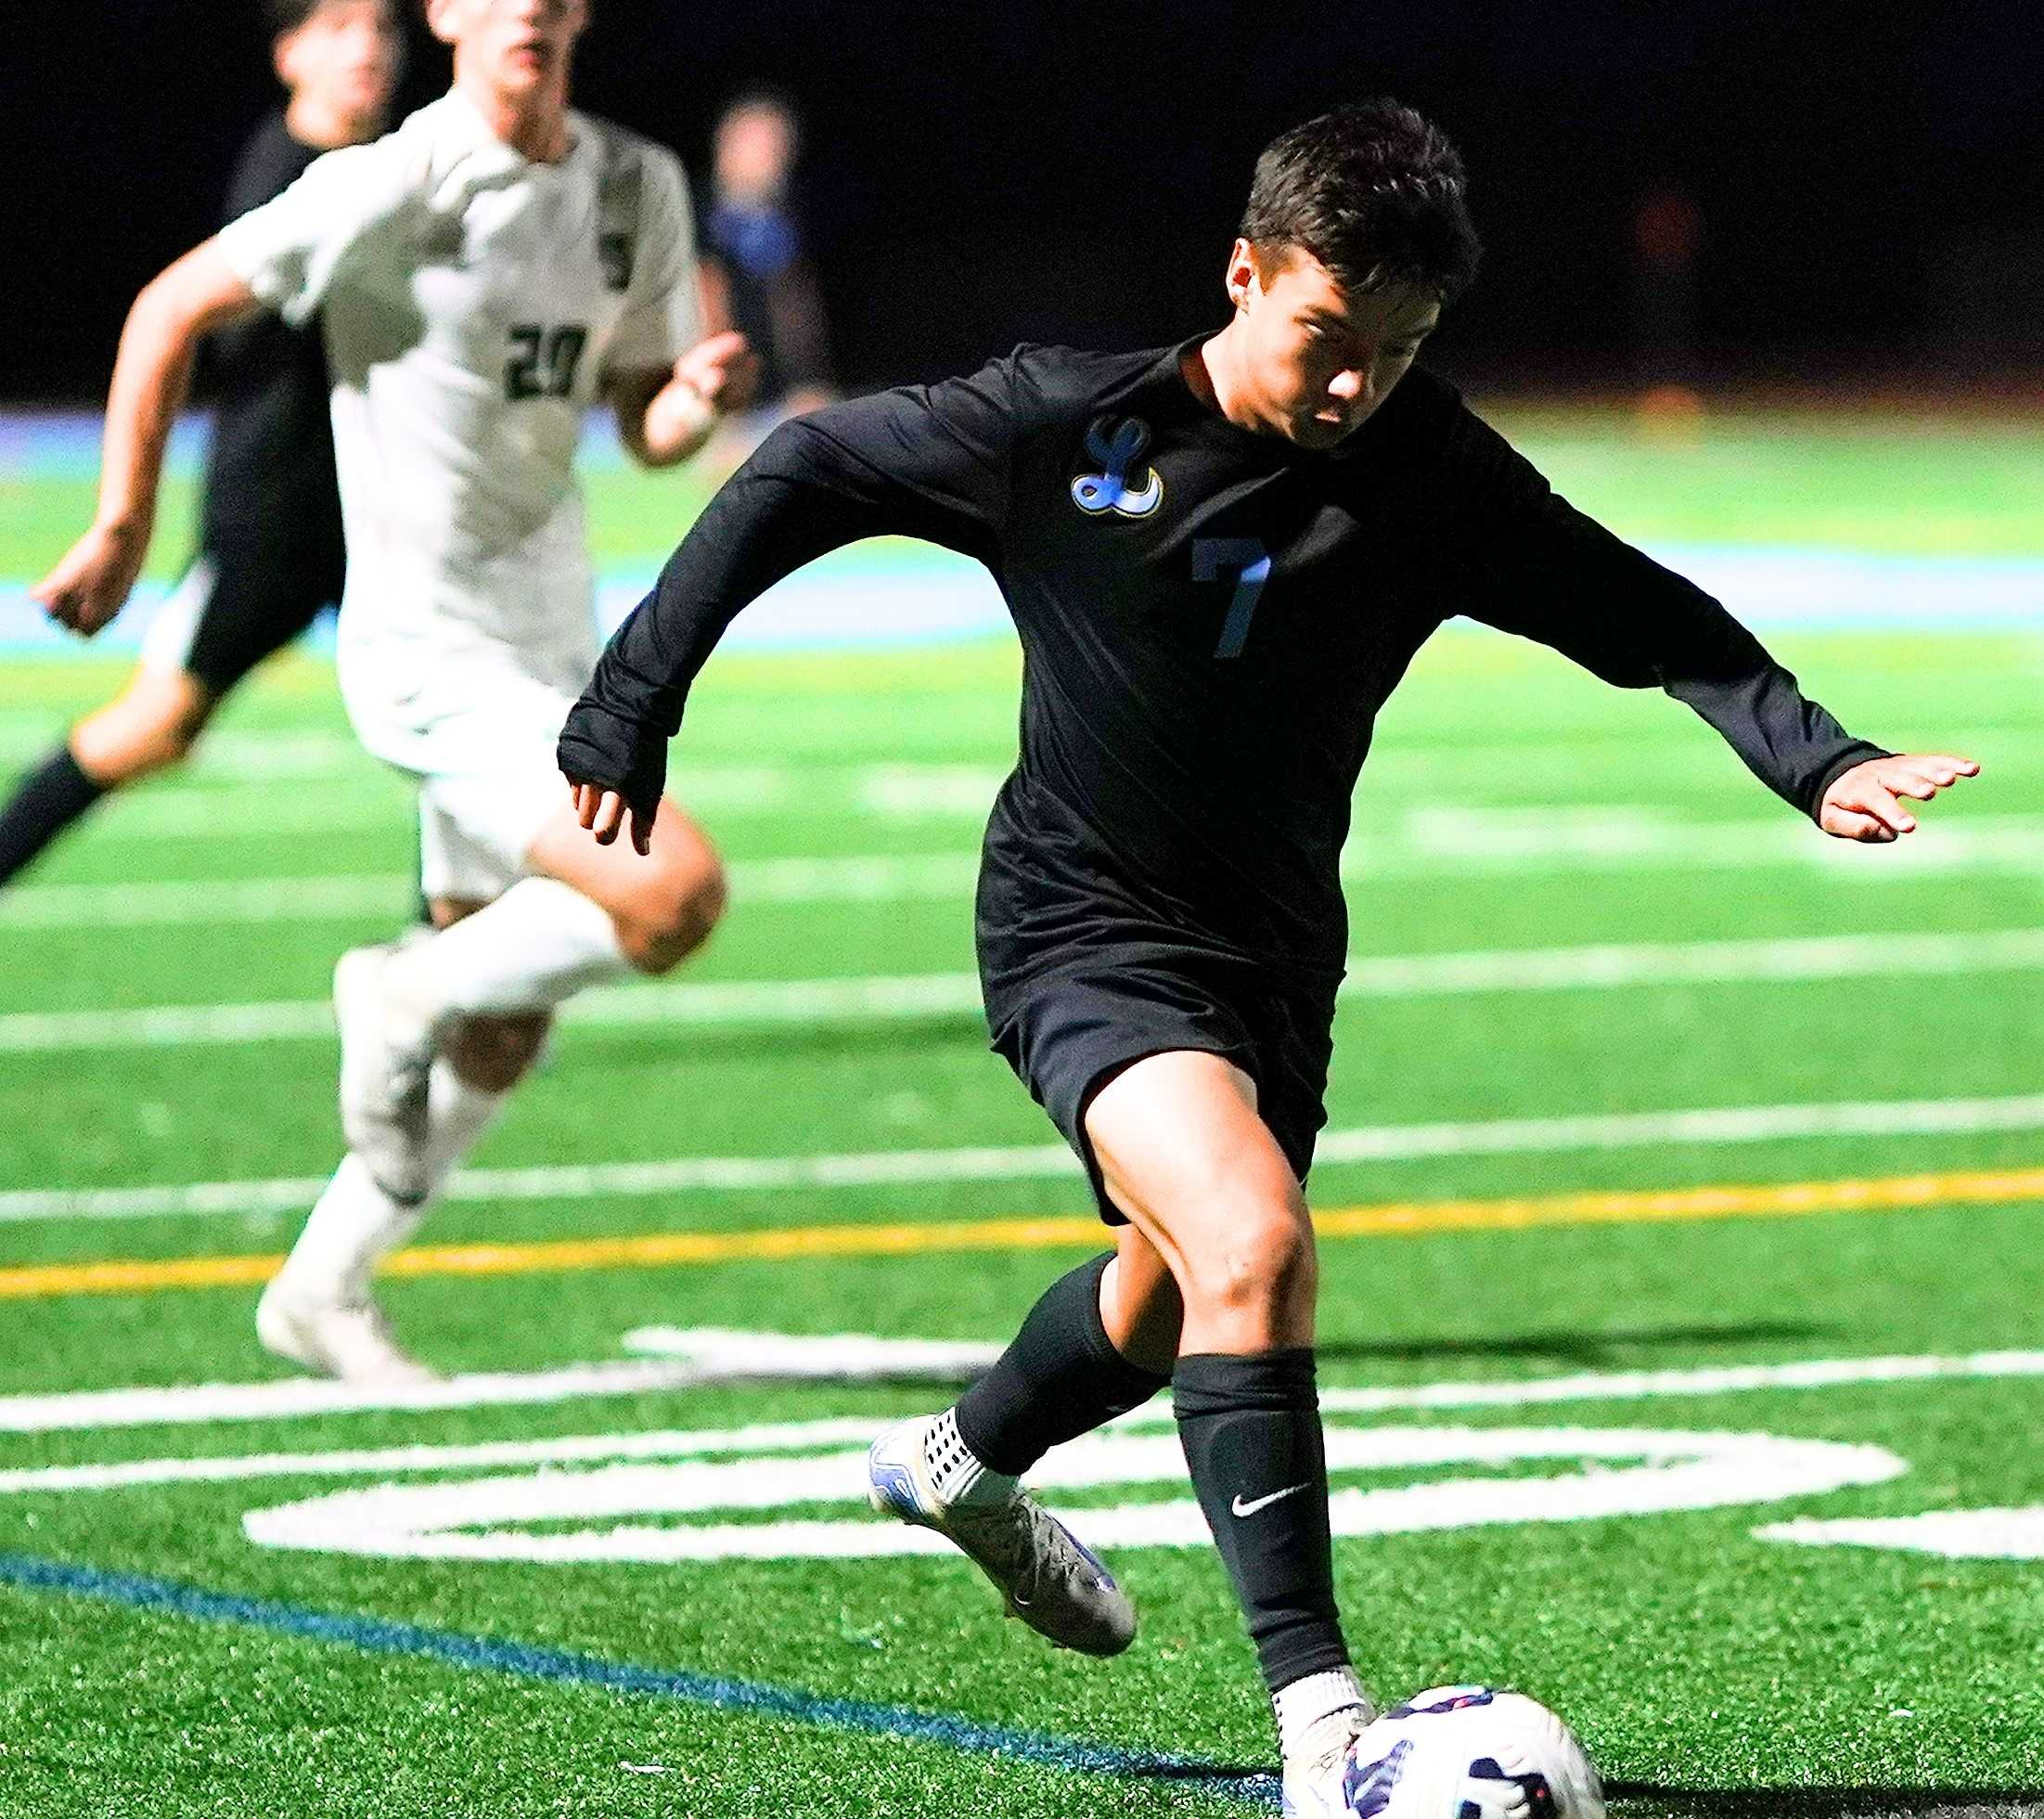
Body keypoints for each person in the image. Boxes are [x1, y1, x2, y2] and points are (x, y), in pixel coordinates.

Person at [555, 101, 1979, 1817]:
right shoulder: (1068, 421)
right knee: (1250, 1238)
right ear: (1243, 273)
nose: (1350, 387)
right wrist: (636, 695)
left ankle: (952, 1466)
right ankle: (1327, 1740)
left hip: (1275, 959)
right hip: (1078, 929)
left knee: (1170, 1303)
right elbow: (798, 471)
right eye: (1322, 337)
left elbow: (1632, 607)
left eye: (1392, 353)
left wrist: (1811, 756)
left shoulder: (1427, 470)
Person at [33, 0, 754, 1384]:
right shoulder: (389, 181)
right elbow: (169, 304)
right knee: (669, 895)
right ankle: (399, 996)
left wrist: (689, 404)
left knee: (508, 1017)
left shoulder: (631, 183)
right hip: (428, 658)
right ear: (451, 15)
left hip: (559, 651)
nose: (529, 10)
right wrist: (125, 521)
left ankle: (322, 1287)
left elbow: (645, 413)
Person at [0, 0, 402, 888]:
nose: (368, 48)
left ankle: (450, 971)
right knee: (152, 728)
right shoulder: (296, 180)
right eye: (338, 28)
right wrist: (123, 520)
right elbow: (174, 316)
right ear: (289, 52)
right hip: (280, 519)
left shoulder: (383, 166)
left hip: (376, 516)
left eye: (381, 28)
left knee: (456, 733)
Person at [698, 90, 835, 451]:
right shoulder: (698, 213)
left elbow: (794, 308)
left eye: (776, 148)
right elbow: (707, 303)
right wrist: (721, 408)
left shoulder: (781, 217)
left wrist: (808, 384)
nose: (770, 159)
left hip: (771, 404)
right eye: (757, 146)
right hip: (711, 400)